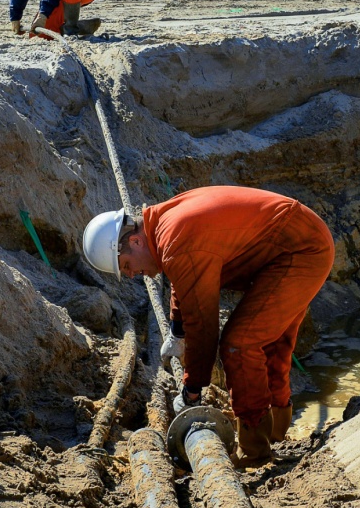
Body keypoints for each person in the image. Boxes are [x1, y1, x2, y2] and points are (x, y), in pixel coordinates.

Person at [82, 186, 335, 466]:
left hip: (302, 250)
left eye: (126, 265)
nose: (131, 275)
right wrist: (177, 330)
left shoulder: (175, 241)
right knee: (271, 344)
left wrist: (191, 391)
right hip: (291, 241)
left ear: (135, 242)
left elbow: (204, 328)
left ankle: (254, 453)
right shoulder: (163, 225)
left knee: (240, 344)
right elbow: (186, 279)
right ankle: (275, 434)